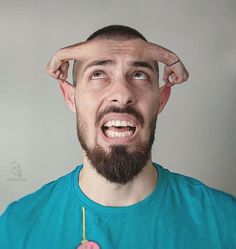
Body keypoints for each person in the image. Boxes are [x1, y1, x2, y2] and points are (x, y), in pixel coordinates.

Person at [0, 25, 235, 249]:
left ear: (161, 99)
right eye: (98, 74)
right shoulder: (17, 227)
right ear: (71, 97)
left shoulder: (225, 221)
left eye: (139, 74)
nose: (122, 94)